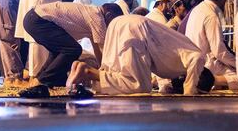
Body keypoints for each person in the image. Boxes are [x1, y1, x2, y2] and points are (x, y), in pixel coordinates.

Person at [67, 14, 213, 95]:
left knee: (119, 75)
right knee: (140, 86)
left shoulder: (181, 62)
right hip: (135, 31)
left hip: (122, 23)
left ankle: (80, 69)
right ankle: (88, 72)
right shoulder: (196, 56)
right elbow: (197, 58)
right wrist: (190, 90)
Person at [20, 2, 123, 97]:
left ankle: (38, 82)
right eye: (113, 22)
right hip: (38, 20)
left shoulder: (93, 13)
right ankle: (43, 82)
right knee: (73, 49)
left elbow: (97, 48)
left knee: (59, 51)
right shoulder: (98, 18)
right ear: (109, 15)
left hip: (32, 18)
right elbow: (103, 49)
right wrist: (105, 75)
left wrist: (101, 71)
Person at [185, 0, 238, 90]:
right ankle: (212, 81)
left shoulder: (197, 9)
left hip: (195, 63)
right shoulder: (211, 15)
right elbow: (219, 51)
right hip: (207, 65)